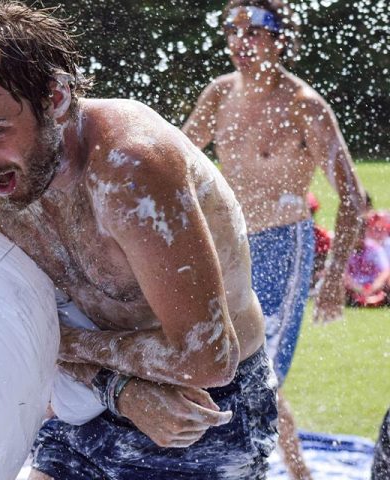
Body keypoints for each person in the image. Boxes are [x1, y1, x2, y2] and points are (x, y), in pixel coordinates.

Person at [0, 2, 275, 478]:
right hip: (91, 393)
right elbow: (34, 321)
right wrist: (116, 388)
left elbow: (208, 360)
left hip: (201, 411)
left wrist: (62, 344)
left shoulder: (132, 170)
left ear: (56, 97)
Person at [182, 2, 367, 477]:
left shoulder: (304, 106)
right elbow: (174, 159)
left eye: (255, 32)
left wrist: (332, 279)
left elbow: (352, 197)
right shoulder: (219, 95)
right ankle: (293, 468)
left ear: (280, 39)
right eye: (232, 31)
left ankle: (263, 467)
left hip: (283, 245)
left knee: (257, 371)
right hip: (228, 244)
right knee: (219, 360)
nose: (241, 42)